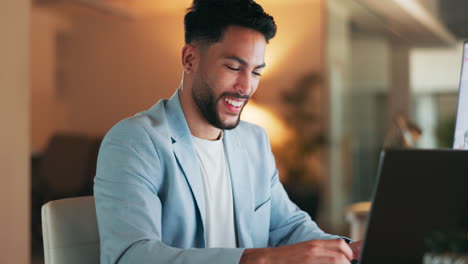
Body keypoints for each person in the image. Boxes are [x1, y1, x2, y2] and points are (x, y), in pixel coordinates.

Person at [94, 0, 361, 263]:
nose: (246, 87)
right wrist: (260, 259)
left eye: (256, 72)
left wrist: (348, 251)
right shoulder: (134, 142)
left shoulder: (253, 141)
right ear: (189, 59)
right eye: (234, 67)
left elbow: (287, 226)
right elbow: (131, 255)